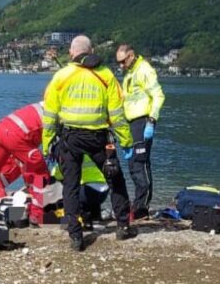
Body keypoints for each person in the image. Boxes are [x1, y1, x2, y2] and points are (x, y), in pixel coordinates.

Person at [42, 35, 136, 252]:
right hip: (98, 137)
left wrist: (46, 143)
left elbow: (49, 115)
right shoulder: (106, 75)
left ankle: (76, 236)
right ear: (91, 50)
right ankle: (122, 226)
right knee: (115, 179)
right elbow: (117, 114)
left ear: (72, 53)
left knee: (71, 186)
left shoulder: (61, 76)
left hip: (70, 138)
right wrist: (126, 140)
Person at [115, 44, 165, 220]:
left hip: (143, 121)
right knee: (133, 164)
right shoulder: (129, 73)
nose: (121, 66)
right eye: (118, 63)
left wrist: (152, 120)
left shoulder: (144, 70)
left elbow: (158, 95)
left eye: (123, 61)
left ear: (131, 55)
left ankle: (142, 207)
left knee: (140, 163)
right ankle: (138, 204)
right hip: (131, 122)